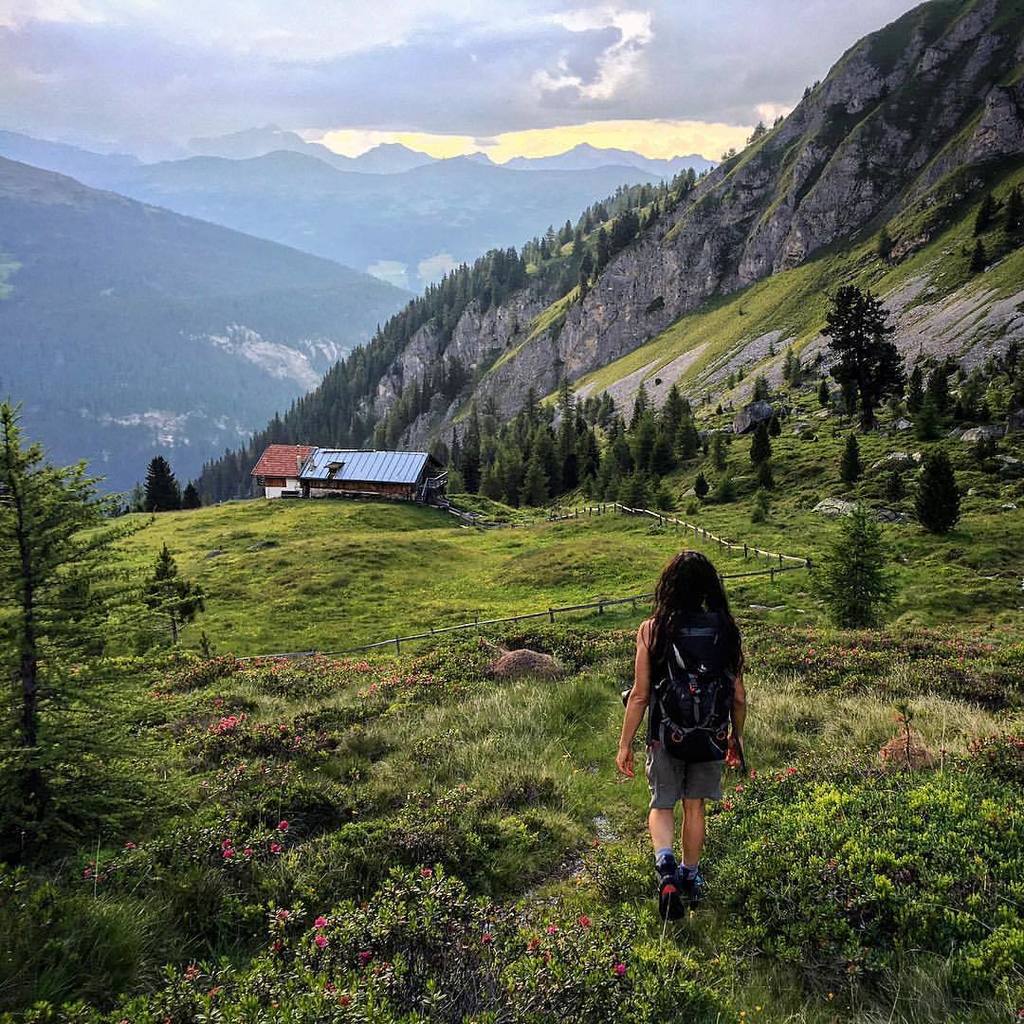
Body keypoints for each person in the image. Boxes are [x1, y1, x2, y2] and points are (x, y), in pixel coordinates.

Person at [616, 551, 746, 919]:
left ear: (669, 586)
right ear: (710, 585)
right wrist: (735, 738)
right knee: (695, 806)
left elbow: (640, 695)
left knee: (661, 804)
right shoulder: (726, 629)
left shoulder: (652, 629)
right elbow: (738, 695)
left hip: (665, 734)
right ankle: (690, 877)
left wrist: (625, 743)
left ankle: (665, 868)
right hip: (710, 737)